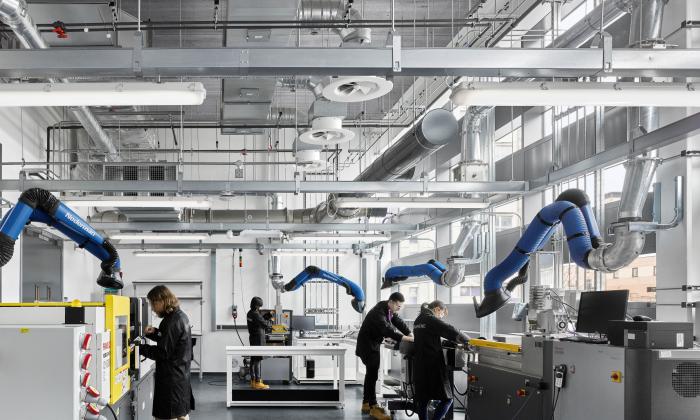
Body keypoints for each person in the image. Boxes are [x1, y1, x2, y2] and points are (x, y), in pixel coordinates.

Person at [139, 285, 195, 420]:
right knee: (181, 414)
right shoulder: (180, 316)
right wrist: (155, 333)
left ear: (162, 301)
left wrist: (139, 348)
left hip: (171, 379)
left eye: (153, 303)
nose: (152, 308)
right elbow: (170, 342)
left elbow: (163, 352)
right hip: (180, 375)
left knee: (168, 415)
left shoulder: (171, 322)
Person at [356, 292, 413, 420]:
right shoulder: (378, 312)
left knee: (371, 374)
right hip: (368, 346)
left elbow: (397, 321)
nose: (399, 308)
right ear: (392, 302)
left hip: (372, 344)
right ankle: (373, 407)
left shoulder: (386, 307)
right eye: (398, 306)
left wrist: (410, 333)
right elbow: (387, 330)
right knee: (372, 375)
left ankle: (366, 403)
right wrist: (408, 339)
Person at [412, 300, 469, 420]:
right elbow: (448, 329)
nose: (441, 316)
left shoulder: (418, 320)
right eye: (442, 313)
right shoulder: (430, 319)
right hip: (433, 365)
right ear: (437, 309)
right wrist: (467, 340)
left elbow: (428, 337)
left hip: (420, 365)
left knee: (423, 399)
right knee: (448, 399)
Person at [246, 296, 273, 390]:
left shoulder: (250, 313)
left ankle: (253, 381)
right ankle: (258, 382)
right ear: (257, 305)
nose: (260, 308)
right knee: (257, 360)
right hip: (258, 339)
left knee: (253, 359)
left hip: (253, 338)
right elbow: (265, 324)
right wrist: (271, 321)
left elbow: (259, 319)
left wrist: (268, 315)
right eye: (259, 306)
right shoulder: (256, 314)